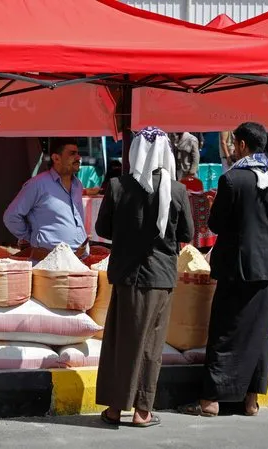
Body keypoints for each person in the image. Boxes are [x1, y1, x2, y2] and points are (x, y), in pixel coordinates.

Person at [179, 122, 268, 418]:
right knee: (258, 332)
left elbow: (215, 225)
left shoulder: (231, 180)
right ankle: (251, 401)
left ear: (240, 145)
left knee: (225, 331)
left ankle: (210, 401)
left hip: (237, 266)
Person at [95, 127, 193, 427]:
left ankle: (115, 408)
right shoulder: (176, 190)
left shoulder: (117, 186)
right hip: (159, 278)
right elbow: (187, 234)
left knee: (119, 341)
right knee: (151, 344)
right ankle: (142, 411)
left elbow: (102, 230)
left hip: (125, 275)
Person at [3, 137, 88, 260]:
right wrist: (31, 237)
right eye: (72, 153)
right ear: (56, 158)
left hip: (79, 260)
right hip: (49, 263)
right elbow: (11, 216)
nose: (78, 157)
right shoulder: (37, 184)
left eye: (78, 153)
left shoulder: (77, 185)